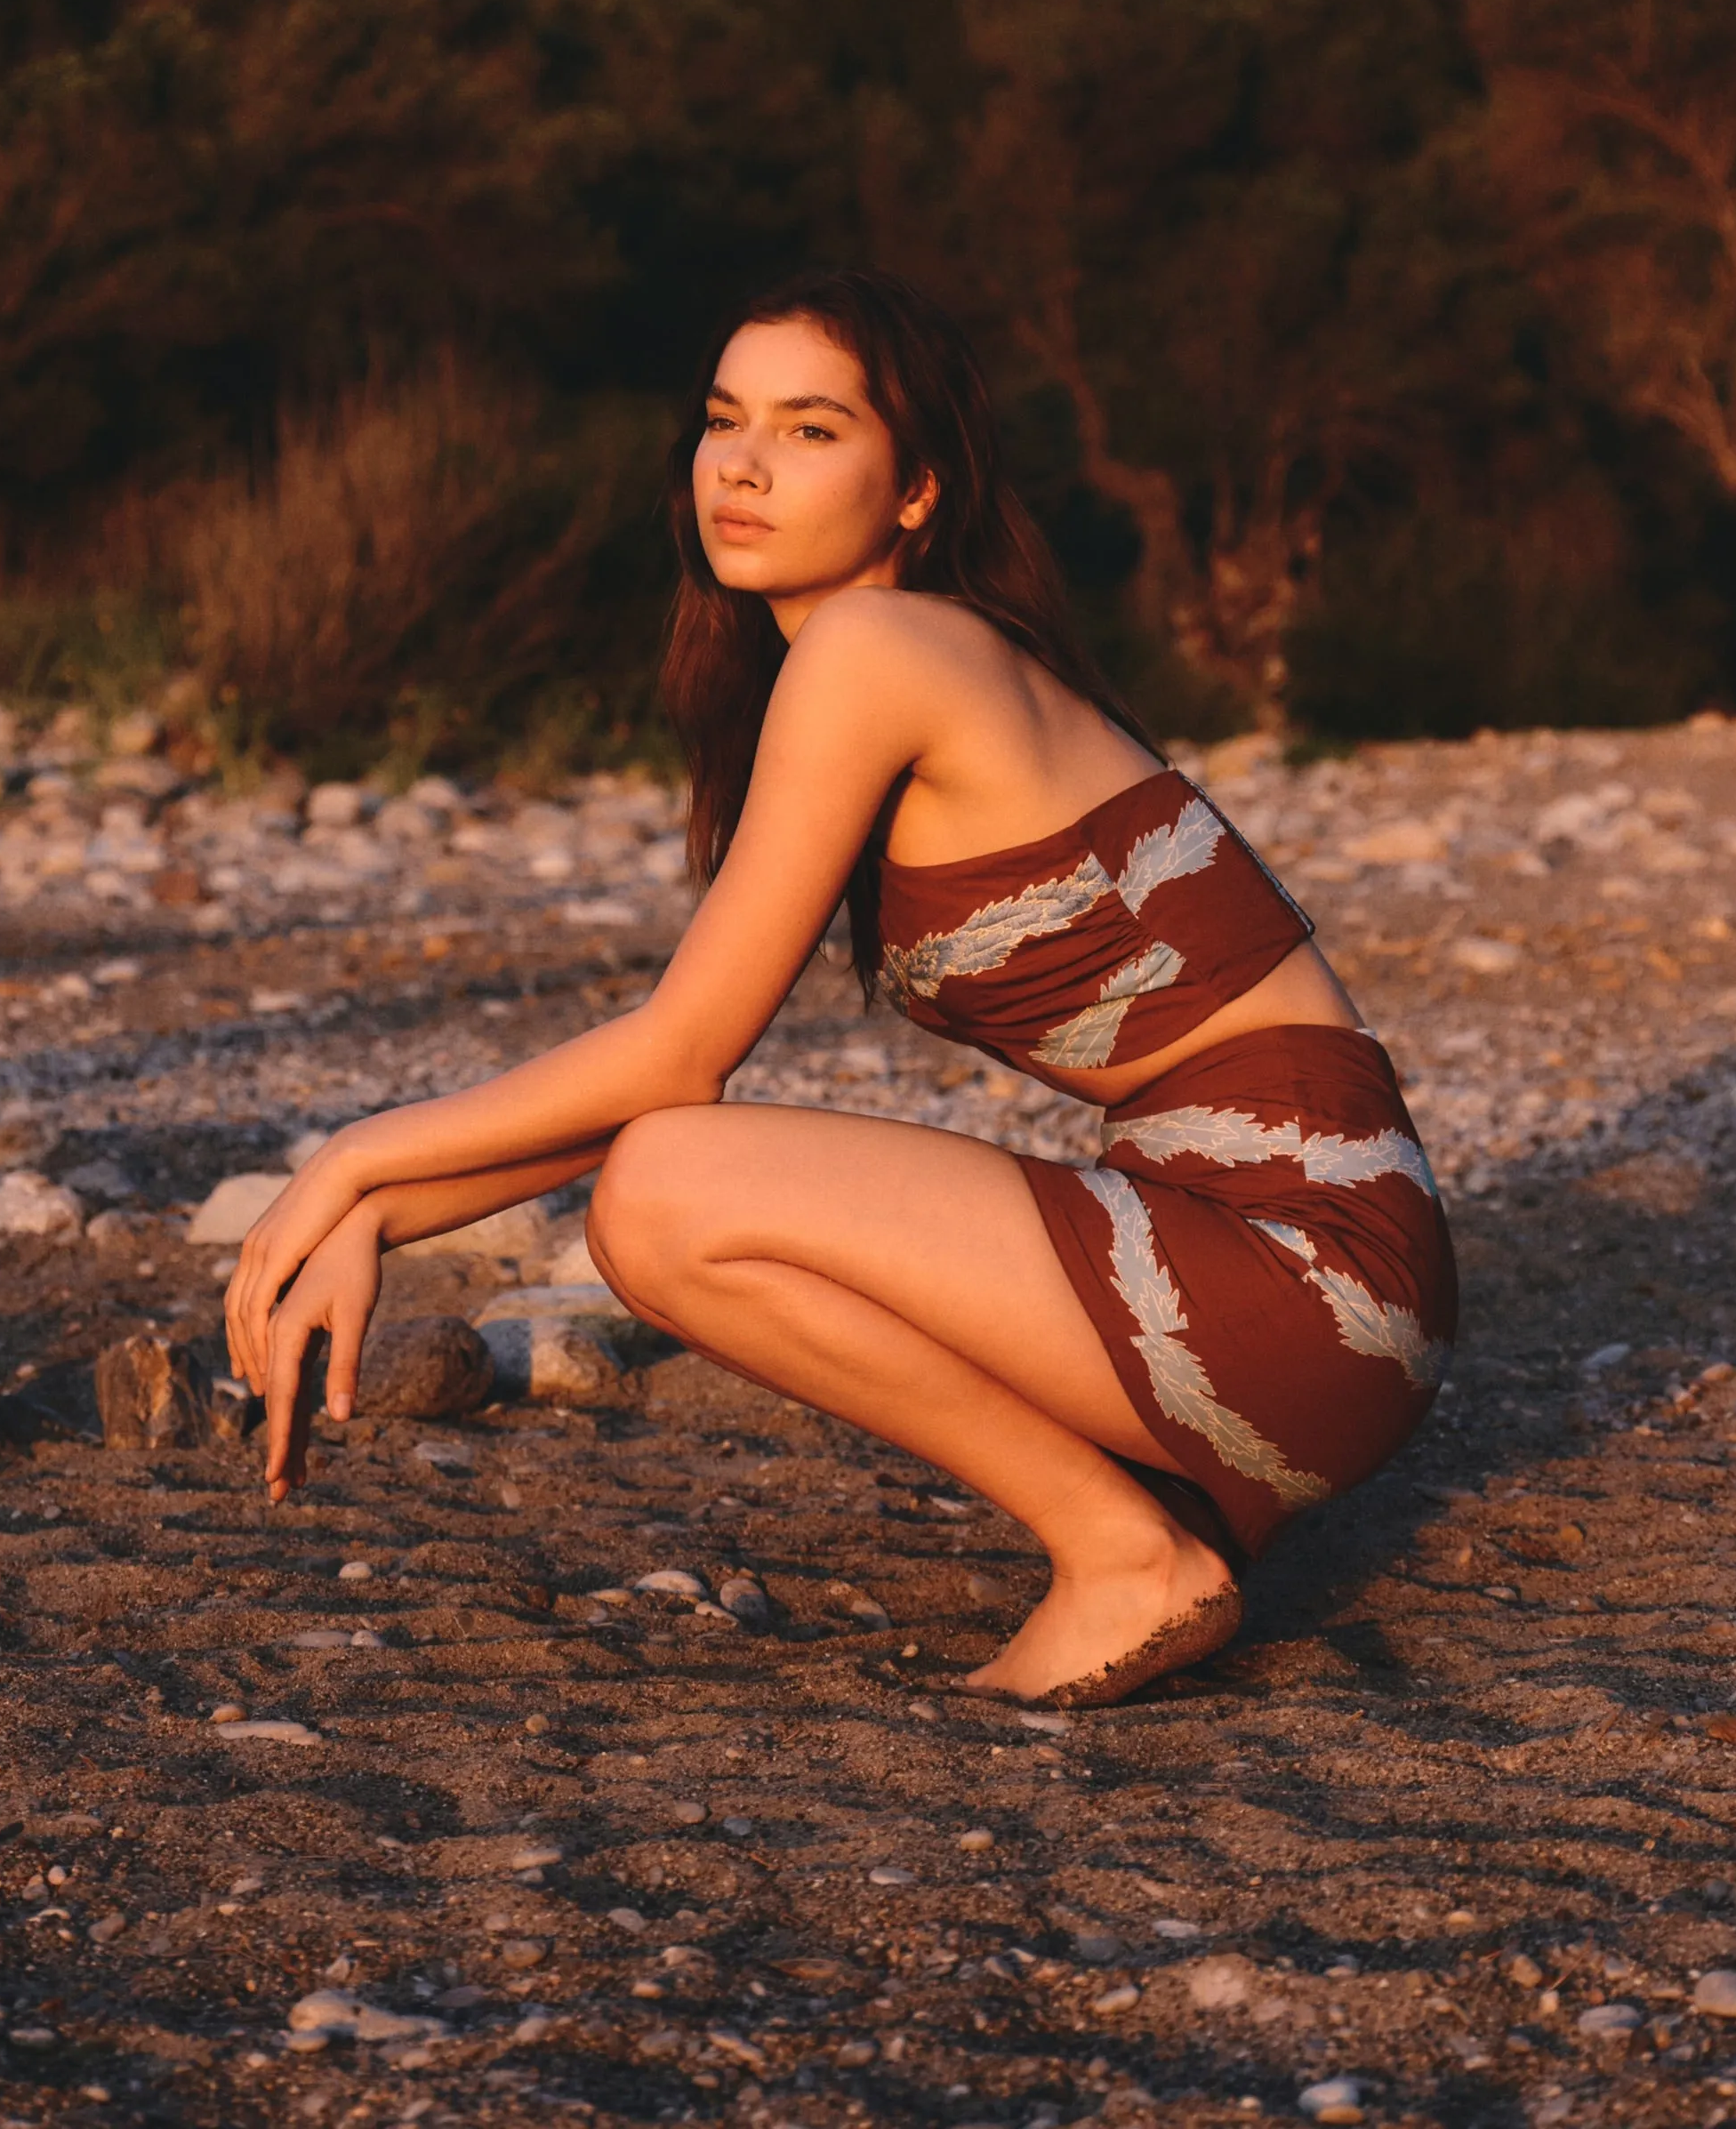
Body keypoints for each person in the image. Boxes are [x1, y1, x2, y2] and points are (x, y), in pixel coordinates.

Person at [225, 269, 1456, 1708]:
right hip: (1274, 1270)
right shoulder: (879, 660)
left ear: (919, 488)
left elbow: (674, 1069)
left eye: (811, 431)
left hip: (1302, 1271)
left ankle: (1125, 1554)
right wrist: (384, 1217)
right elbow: (678, 1093)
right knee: (667, 1185)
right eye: (723, 418)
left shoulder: (881, 651)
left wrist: (350, 1155)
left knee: (666, 1196)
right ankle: (1140, 1531)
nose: (740, 465)